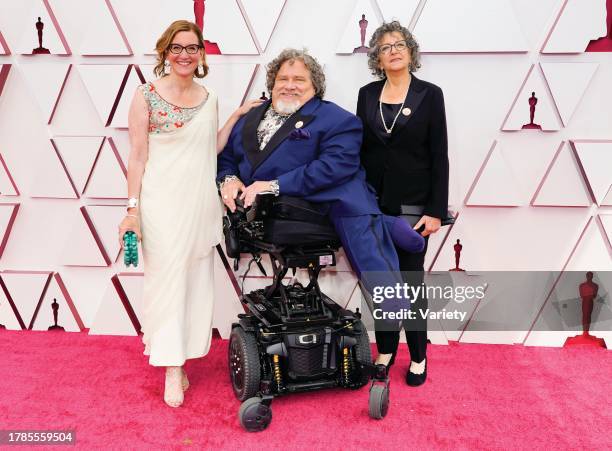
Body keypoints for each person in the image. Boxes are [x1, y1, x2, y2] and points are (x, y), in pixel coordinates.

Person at [217, 48, 425, 363]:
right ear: (271, 84)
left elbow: (335, 167)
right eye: (282, 79)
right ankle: (385, 224)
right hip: (273, 208)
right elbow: (227, 156)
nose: (289, 85)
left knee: (355, 219)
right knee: (359, 217)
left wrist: (273, 185)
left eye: (299, 79)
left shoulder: (337, 119)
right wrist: (229, 178)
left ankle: (391, 298)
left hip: (328, 196)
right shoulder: (251, 115)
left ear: (315, 86)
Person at [117, 20, 261, 408]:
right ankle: (170, 367)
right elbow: (137, 156)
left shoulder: (209, 97)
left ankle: (181, 358)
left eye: (192, 48)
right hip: (160, 203)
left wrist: (235, 116)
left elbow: (209, 149)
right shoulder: (145, 95)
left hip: (199, 204)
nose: (184, 54)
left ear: (201, 54)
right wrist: (131, 211)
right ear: (165, 51)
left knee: (195, 283)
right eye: (177, 48)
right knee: (167, 283)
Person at [357, 21, 449, 386]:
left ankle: (419, 356)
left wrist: (436, 211)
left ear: (410, 52)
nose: (392, 50)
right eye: (384, 47)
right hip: (375, 204)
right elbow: (360, 150)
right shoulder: (366, 94)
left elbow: (439, 154)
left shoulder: (430, 94)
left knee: (410, 284)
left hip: (415, 206)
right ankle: (385, 350)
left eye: (399, 44)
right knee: (382, 283)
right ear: (377, 59)